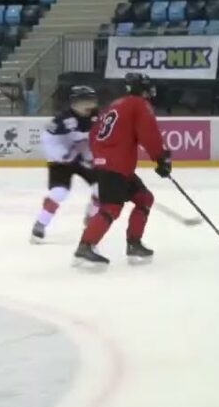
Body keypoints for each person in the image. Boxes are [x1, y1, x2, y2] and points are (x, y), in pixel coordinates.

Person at [74, 73, 171, 269]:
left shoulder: (114, 105)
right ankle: (85, 246)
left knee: (144, 198)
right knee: (111, 207)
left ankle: (134, 244)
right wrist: (161, 158)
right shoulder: (139, 104)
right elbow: (149, 134)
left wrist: (101, 156)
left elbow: (94, 135)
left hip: (114, 166)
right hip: (115, 167)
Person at [32, 86, 100, 242]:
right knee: (59, 193)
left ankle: (91, 217)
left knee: (101, 189)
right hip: (61, 161)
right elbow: (47, 140)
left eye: (92, 100)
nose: (91, 104)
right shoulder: (61, 119)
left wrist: (90, 156)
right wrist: (64, 155)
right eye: (86, 101)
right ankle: (41, 223)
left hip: (83, 157)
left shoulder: (97, 116)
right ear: (74, 103)